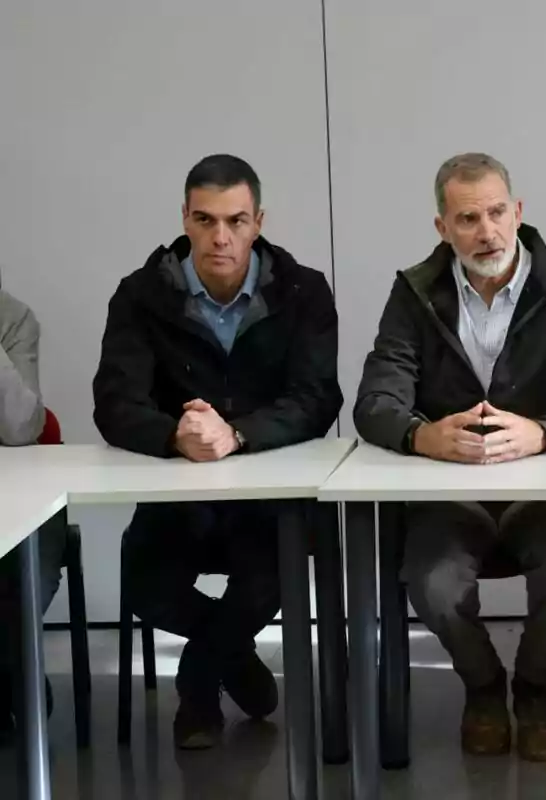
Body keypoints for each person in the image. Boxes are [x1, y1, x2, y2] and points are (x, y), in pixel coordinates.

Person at [355, 152, 546, 763]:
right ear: (442, 228)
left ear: (519, 211)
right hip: (448, 495)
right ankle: (483, 687)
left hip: (544, 492)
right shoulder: (414, 293)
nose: (487, 231)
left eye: (497, 212)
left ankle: (534, 689)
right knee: (431, 581)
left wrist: (542, 434)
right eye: (468, 218)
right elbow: (374, 401)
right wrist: (422, 436)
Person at [92, 154, 342, 750]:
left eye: (235, 220)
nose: (219, 237)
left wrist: (237, 434)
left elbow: (317, 398)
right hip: (177, 490)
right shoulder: (140, 294)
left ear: (259, 221)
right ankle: (235, 658)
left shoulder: (303, 290)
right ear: (185, 218)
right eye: (204, 220)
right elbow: (114, 403)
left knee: (269, 577)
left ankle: (199, 686)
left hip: (265, 494)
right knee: (142, 583)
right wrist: (175, 436)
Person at [0, 277, 64, 739]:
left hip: (16, 496)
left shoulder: (14, 319)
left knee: (20, 584)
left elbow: (21, 427)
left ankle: (10, 671)